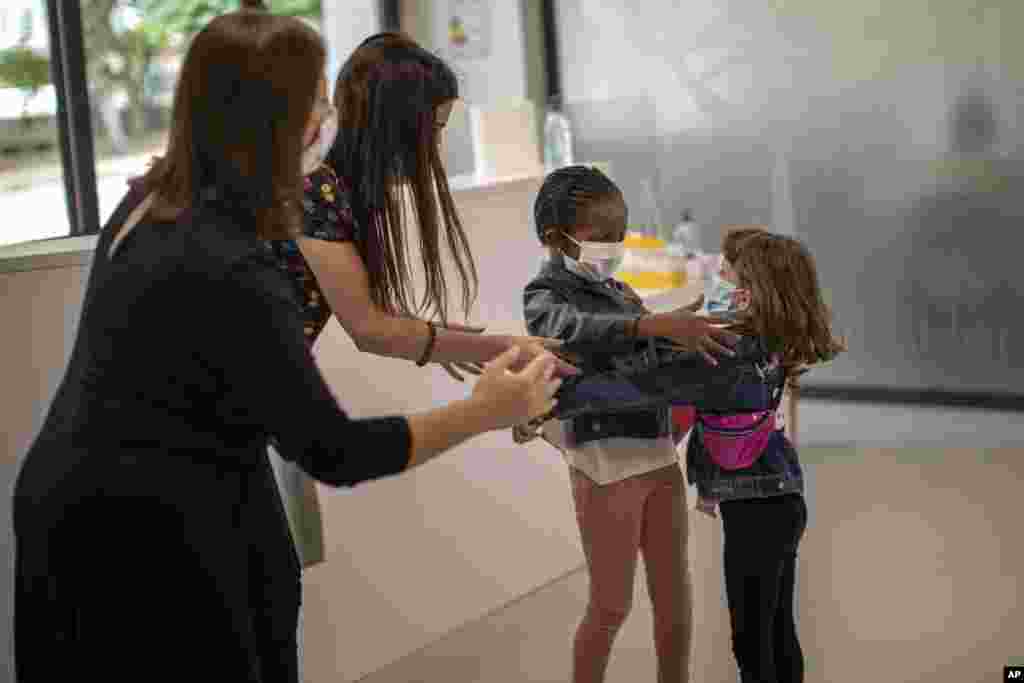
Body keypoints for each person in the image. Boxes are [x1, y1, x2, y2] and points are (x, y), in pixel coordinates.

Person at [11, 8, 561, 682]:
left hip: (101, 493)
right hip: (135, 526)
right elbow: (336, 447)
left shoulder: (156, 201)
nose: (330, 117)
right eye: (318, 101)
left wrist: (482, 356)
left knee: (272, 585)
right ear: (274, 117)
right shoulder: (234, 262)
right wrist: (485, 410)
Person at [521, 165, 739, 683]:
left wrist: (699, 316)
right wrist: (652, 324)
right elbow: (575, 330)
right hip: (604, 468)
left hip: (659, 457)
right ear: (556, 238)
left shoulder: (621, 292)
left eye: (622, 234)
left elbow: (650, 345)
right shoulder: (544, 297)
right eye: (604, 237)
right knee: (611, 605)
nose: (615, 246)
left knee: (676, 599)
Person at [687, 230, 844, 683]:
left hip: (756, 509)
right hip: (781, 498)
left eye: (723, 273)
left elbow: (659, 378)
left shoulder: (732, 351)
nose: (715, 281)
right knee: (776, 631)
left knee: (752, 641)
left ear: (749, 288)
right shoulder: (769, 340)